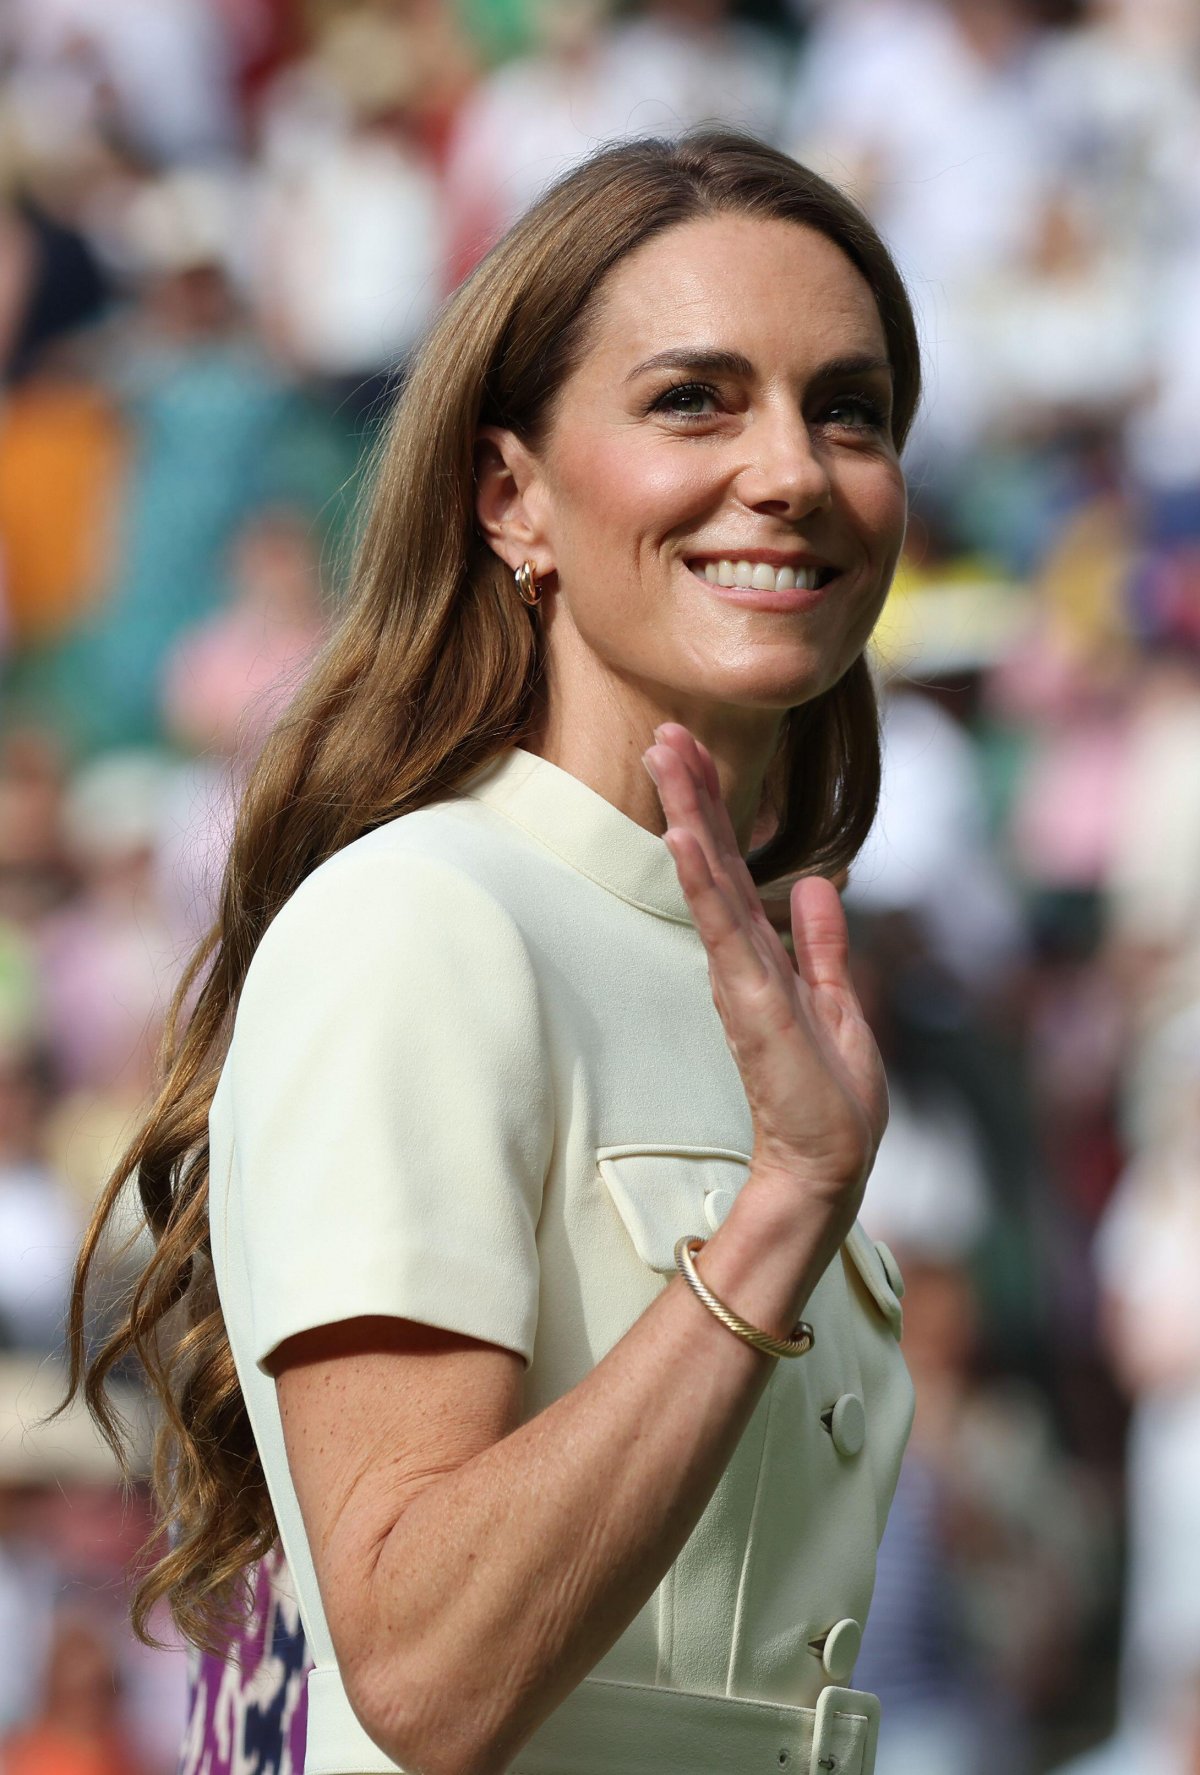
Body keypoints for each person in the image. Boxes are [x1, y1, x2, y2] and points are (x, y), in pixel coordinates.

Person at [67, 131, 922, 1775]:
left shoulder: (744, 973)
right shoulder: (424, 919)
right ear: (510, 495)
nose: (793, 470)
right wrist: (780, 1217)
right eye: (695, 400)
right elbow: (428, 1668)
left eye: (850, 410)